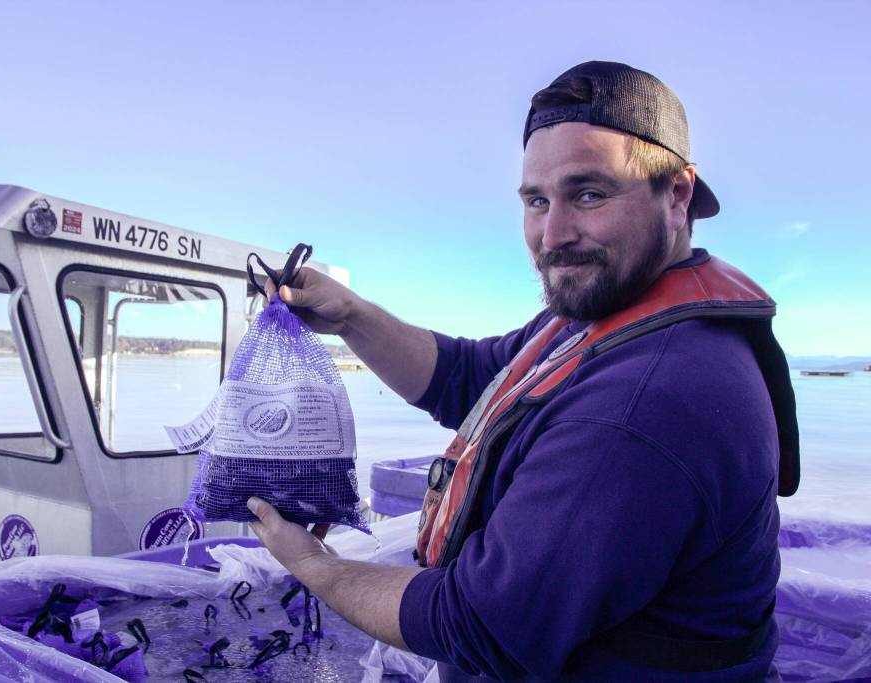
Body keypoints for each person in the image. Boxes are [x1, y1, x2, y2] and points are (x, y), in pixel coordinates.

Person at [247, 61, 798, 682]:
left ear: (676, 193)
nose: (553, 234)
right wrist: (350, 314)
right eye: (537, 200)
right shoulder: (600, 313)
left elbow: (478, 624)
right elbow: (468, 376)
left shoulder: (648, 399)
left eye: (589, 194)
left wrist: (314, 564)